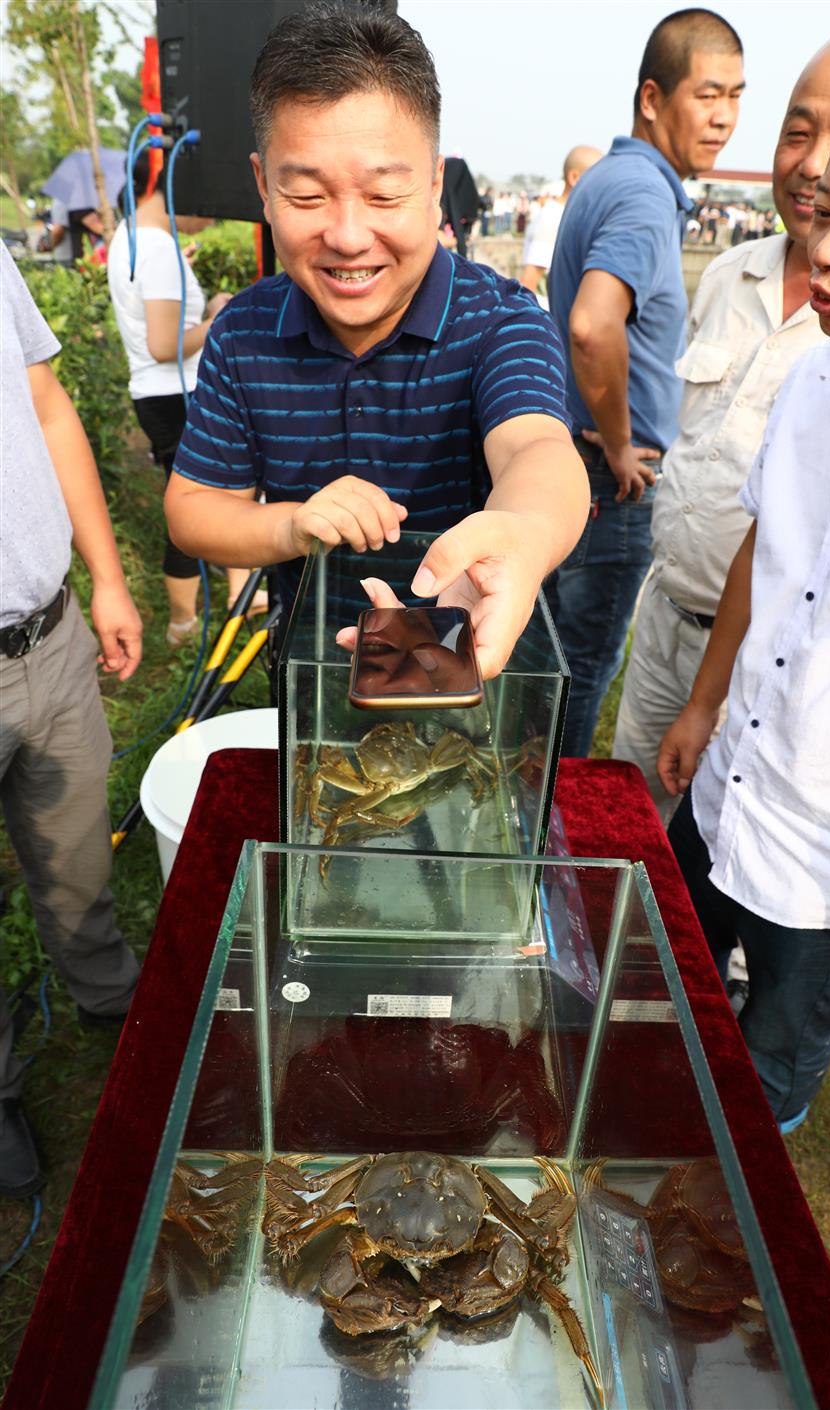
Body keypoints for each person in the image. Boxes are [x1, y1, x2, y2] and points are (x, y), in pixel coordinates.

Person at [658, 41, 830, 1133]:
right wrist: (702, 700)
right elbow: (764, 553)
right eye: (823, 213)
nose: (821, 250)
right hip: (732, 778)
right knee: (668, 960)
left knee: (776, 1042)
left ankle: (740, 1177)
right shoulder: (817, 375)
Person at [164, 4, 589, 682]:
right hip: (307, 661)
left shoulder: (500, 321)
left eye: (384, 194)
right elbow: (191, 509)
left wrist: (525, 536)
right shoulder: (243, 333)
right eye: (307, 197)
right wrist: (292, 525)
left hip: (466, 657)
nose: (349, 236)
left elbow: (538, 448)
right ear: (262, 187)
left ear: (431, 183)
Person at [613, 22, 830, 819]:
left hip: (765, 665)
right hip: (665, 620)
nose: (814, 163)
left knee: (728, 870)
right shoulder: (725, 272)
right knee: (632, 827)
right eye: (796, 131)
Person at [545, 8, 744, 756]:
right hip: (612, 478)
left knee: (548, 663)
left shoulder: (610, 177)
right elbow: (594, 326)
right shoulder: (643, 194)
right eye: (709, 94)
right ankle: (541, 836)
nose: (724, 118)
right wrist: (624, 445)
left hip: (580, 463)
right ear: (654, 99)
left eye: (736, 97)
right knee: (578, 675)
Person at [0, 243, 143, 1198]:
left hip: (46, 638)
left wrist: (109, 577)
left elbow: (47, 406)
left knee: (79, 848)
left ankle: (109, 997)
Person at [108, 157, 259, 646]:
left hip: (155, 394)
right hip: (176, 394)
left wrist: (209, 308)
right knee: (193, 509)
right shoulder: (159, 251)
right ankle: (181, 624)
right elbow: (162, 344)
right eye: (207, 205)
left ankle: (233, 599)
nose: (211, 217)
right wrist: (226, 320)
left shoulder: (128, 235)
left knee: (214, 498)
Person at [519, 148, 602, 307]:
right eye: (598, 176)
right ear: (574, 178)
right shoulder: (552, 217)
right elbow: (529, 280)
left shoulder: (565, 213)